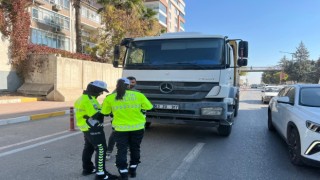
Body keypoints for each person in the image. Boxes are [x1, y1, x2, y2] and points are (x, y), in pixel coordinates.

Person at [101, 78, 153, 180]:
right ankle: (133, 171)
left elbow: (105, 112)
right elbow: (149, 107)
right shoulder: (139, 95)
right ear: (129, 85)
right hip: (138, 128)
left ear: (117, 85)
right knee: (135, 148)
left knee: (121, 150)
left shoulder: (110, 97)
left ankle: (123, 174)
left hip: (120, 129)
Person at [74, 80, 118, 180]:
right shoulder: (89, 100)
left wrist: (103, 107)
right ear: (95, 90)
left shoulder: (84, 98)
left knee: (88, 148)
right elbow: (97, 115)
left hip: (86, 127)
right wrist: (107, 106)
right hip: (93, 127)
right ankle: (101, 174)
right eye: (101, 91)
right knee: (101, 149)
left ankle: (88, 169)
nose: (101, 93)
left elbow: (96, 110)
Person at [106, 76, 139, 160]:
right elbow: (109, 101)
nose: (131, 84)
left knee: (129, 136)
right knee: (114, 135)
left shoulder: (137, 93)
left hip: (131, 120)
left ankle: (127, 149)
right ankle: (108, 151)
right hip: (118, 119)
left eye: (133, 82)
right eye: (130, 82)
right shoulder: (117, 91)